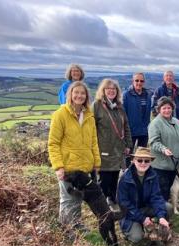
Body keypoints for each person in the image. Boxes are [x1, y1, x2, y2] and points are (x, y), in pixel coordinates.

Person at [48, 81, 100, 231]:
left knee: (77, 197)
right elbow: (53, 143)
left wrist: (96, 163)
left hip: (84, 166)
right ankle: (66, 230)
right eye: (76, 92)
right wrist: (58, 167)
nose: (79, 95)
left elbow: (94, 141)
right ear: (69, 94)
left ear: (86, 96)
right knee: (67, 199)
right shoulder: (61, 114)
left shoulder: (89, 115)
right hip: (68, 166)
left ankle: (75, 224)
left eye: (82, 93)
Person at [117, 147, 171, 243]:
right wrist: (142, 219)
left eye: (146, 161)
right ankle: (130, 228)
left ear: (150, 162)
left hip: (146, 208)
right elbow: (124, 204)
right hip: (130, 212)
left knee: (168, 208)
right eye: (139, 160)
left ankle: (158, 231)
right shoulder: (125, 178)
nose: (143, 163)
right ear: (133, 161)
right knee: (137, 238)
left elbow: (156, 197)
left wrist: (161, 216)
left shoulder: (153, 175)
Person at [93, 78, 132, 207]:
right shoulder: (97, 106)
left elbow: (126, 126)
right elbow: (91, 128)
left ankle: (113, 199)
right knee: (104, 178)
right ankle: (103, 204)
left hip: (118, 148)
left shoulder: (119, 107)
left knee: (115, 175)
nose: (111, 91)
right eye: (108, 89)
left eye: (113, 89)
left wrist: (128, 144)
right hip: (103, 148)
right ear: (103, 91)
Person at [148, 97, 179, 202]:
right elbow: (153, 142)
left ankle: (166, 209)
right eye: (164, 108)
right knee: (162, 190)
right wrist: (163, 149)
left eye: (169, 108)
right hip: (161, 165)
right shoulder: (155, 123)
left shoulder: (177, 121)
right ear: (159, 109)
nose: (167, 110)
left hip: (175, 163)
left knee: (170, 188)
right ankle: (161, 213)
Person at [123, 72, 152, 149]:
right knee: (128, 156)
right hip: (130, 132)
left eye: (141, 81)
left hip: (144, 132)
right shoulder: (126, 95)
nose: (139, 83)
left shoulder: (148, 95)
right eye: (137, 80)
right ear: (133, 81)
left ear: (144, 82)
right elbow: (122, 114)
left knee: (142, 156)